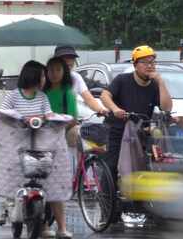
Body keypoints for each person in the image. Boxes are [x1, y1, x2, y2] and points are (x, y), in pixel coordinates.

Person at [0, 60, 73, 239]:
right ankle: (13, 210)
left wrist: (51, 118)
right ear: (34, 76)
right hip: (18, 144)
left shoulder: (42, 97)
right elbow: (3, 113)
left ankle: (55, 226)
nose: (45, 79)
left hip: (40, 143)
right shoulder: (13, 95)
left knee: (50, 177)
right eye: (43, 75)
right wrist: (21, 118)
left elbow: (48, 114)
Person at [100, 45, 172, 218]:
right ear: (135, 65)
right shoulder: (122, 80)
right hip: (117, 130)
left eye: (153, 62)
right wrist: (115, 109)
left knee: (146, 166)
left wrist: (161, 82)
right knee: (111, 166)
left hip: (141, 132)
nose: (150, 66)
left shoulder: (155, 85)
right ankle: (107, 207)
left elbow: (166, 107)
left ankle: (141, 204)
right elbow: (104, 95)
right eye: (145, 62)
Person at [42, 57, 77, 238]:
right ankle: (41, 224)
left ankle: (60, 227)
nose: (53, 74)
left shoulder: (67, 93)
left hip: (57, 144)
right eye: (50, 70)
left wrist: (57, 128)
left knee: (56, 186)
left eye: (57, 70)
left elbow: (72, 119)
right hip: (39, 143)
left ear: (64, 72)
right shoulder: (41, 91)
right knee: (39, 185)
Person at [53, 46, 108, 115]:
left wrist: (101, 110)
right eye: (65, 58)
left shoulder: (76, 77)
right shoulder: (46, 76)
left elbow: (88, 99)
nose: (69, 61)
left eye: (72, 58)